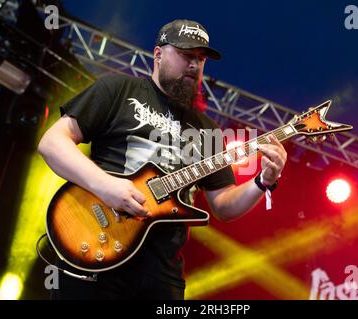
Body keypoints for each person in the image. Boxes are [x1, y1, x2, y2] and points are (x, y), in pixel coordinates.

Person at [38, 19, 287, 300]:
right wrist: (106, 186)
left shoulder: (207, 129)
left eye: (201, 59)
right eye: (186, 55)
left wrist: (263, 181)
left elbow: (223, 205)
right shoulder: (119, 90)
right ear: (158, 54)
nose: (195, 65)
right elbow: (52, 143)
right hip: (97, 245)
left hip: (161, 274)